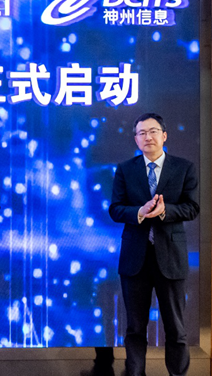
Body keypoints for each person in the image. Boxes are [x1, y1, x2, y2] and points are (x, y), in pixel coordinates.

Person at [109, 113, 199, 376]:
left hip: (170, 257)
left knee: (176, 328)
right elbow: (115, 209)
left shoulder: (184, 168)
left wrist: (164, 211)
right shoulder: (125, 169)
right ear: (136, 140)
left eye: (153, 131)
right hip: (134, 259)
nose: (147, 137)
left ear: (164, 135)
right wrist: (139, 212)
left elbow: (192, 207)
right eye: (142, 133)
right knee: (135, 328)